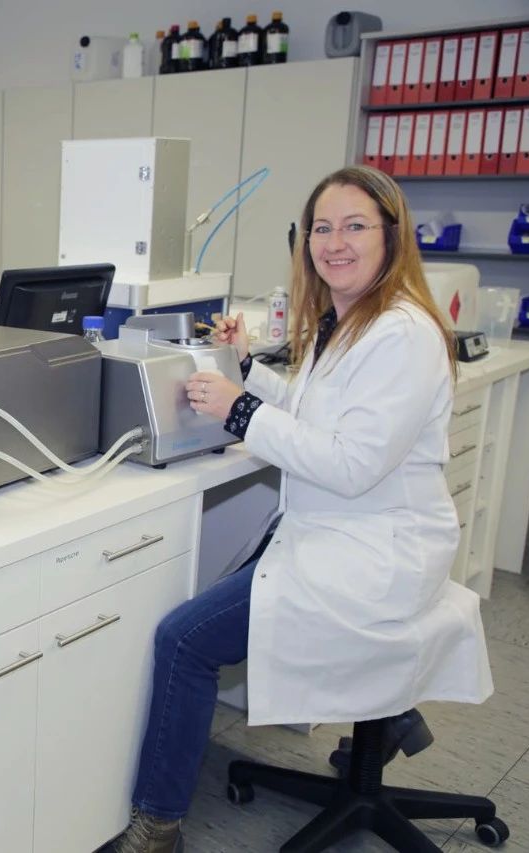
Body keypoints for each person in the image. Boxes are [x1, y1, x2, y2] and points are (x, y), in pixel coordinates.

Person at [106, 165, 493, 852]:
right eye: (321, 228)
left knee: (185, 640)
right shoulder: (351, 319)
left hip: (373, 551)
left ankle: (157, 824)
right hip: (334, 529)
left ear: (391, 235)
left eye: (354, 226)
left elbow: (349, 464)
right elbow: (314, 409)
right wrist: (246, 368)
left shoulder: (403, 333)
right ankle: (392, 712)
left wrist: (240, 410)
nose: (334, 243)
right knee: (241, 571)